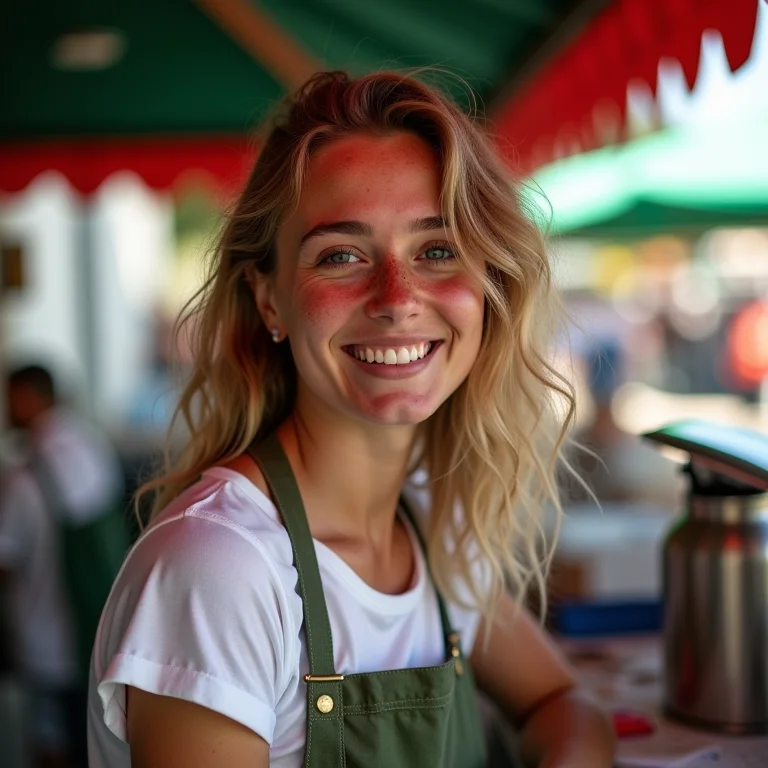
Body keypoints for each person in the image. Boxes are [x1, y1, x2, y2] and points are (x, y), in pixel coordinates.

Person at [87, 71, 616, 767]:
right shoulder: (222, 569)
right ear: (270, 300)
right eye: (341, 255)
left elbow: (563, 703)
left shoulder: (430, 526)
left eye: (437, 250)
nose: (397, 299)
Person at [0, 363, 125, 767]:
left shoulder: (25, 478)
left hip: (44, 644)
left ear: (27, 397)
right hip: (99, 633)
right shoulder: (93, 446)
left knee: (51, 744)